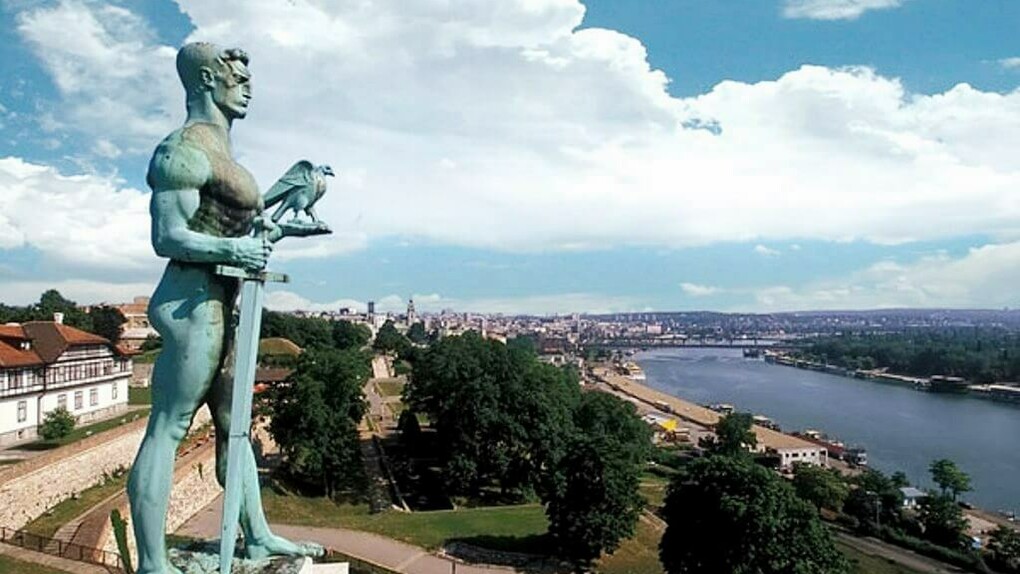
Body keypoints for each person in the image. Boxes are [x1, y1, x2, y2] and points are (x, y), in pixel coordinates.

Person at [127, 42, 326, 574]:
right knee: (168, 428)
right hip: (190, 302)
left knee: (236, 429)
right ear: (206, 79)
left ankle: (257, 536)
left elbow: (232, 228)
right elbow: (168, 236)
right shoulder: (181, 150)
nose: (248, 87)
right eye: (237, 77)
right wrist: (234, 249)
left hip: (225, 304)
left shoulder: (222, 154)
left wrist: (274, 231)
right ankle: (152, 564)